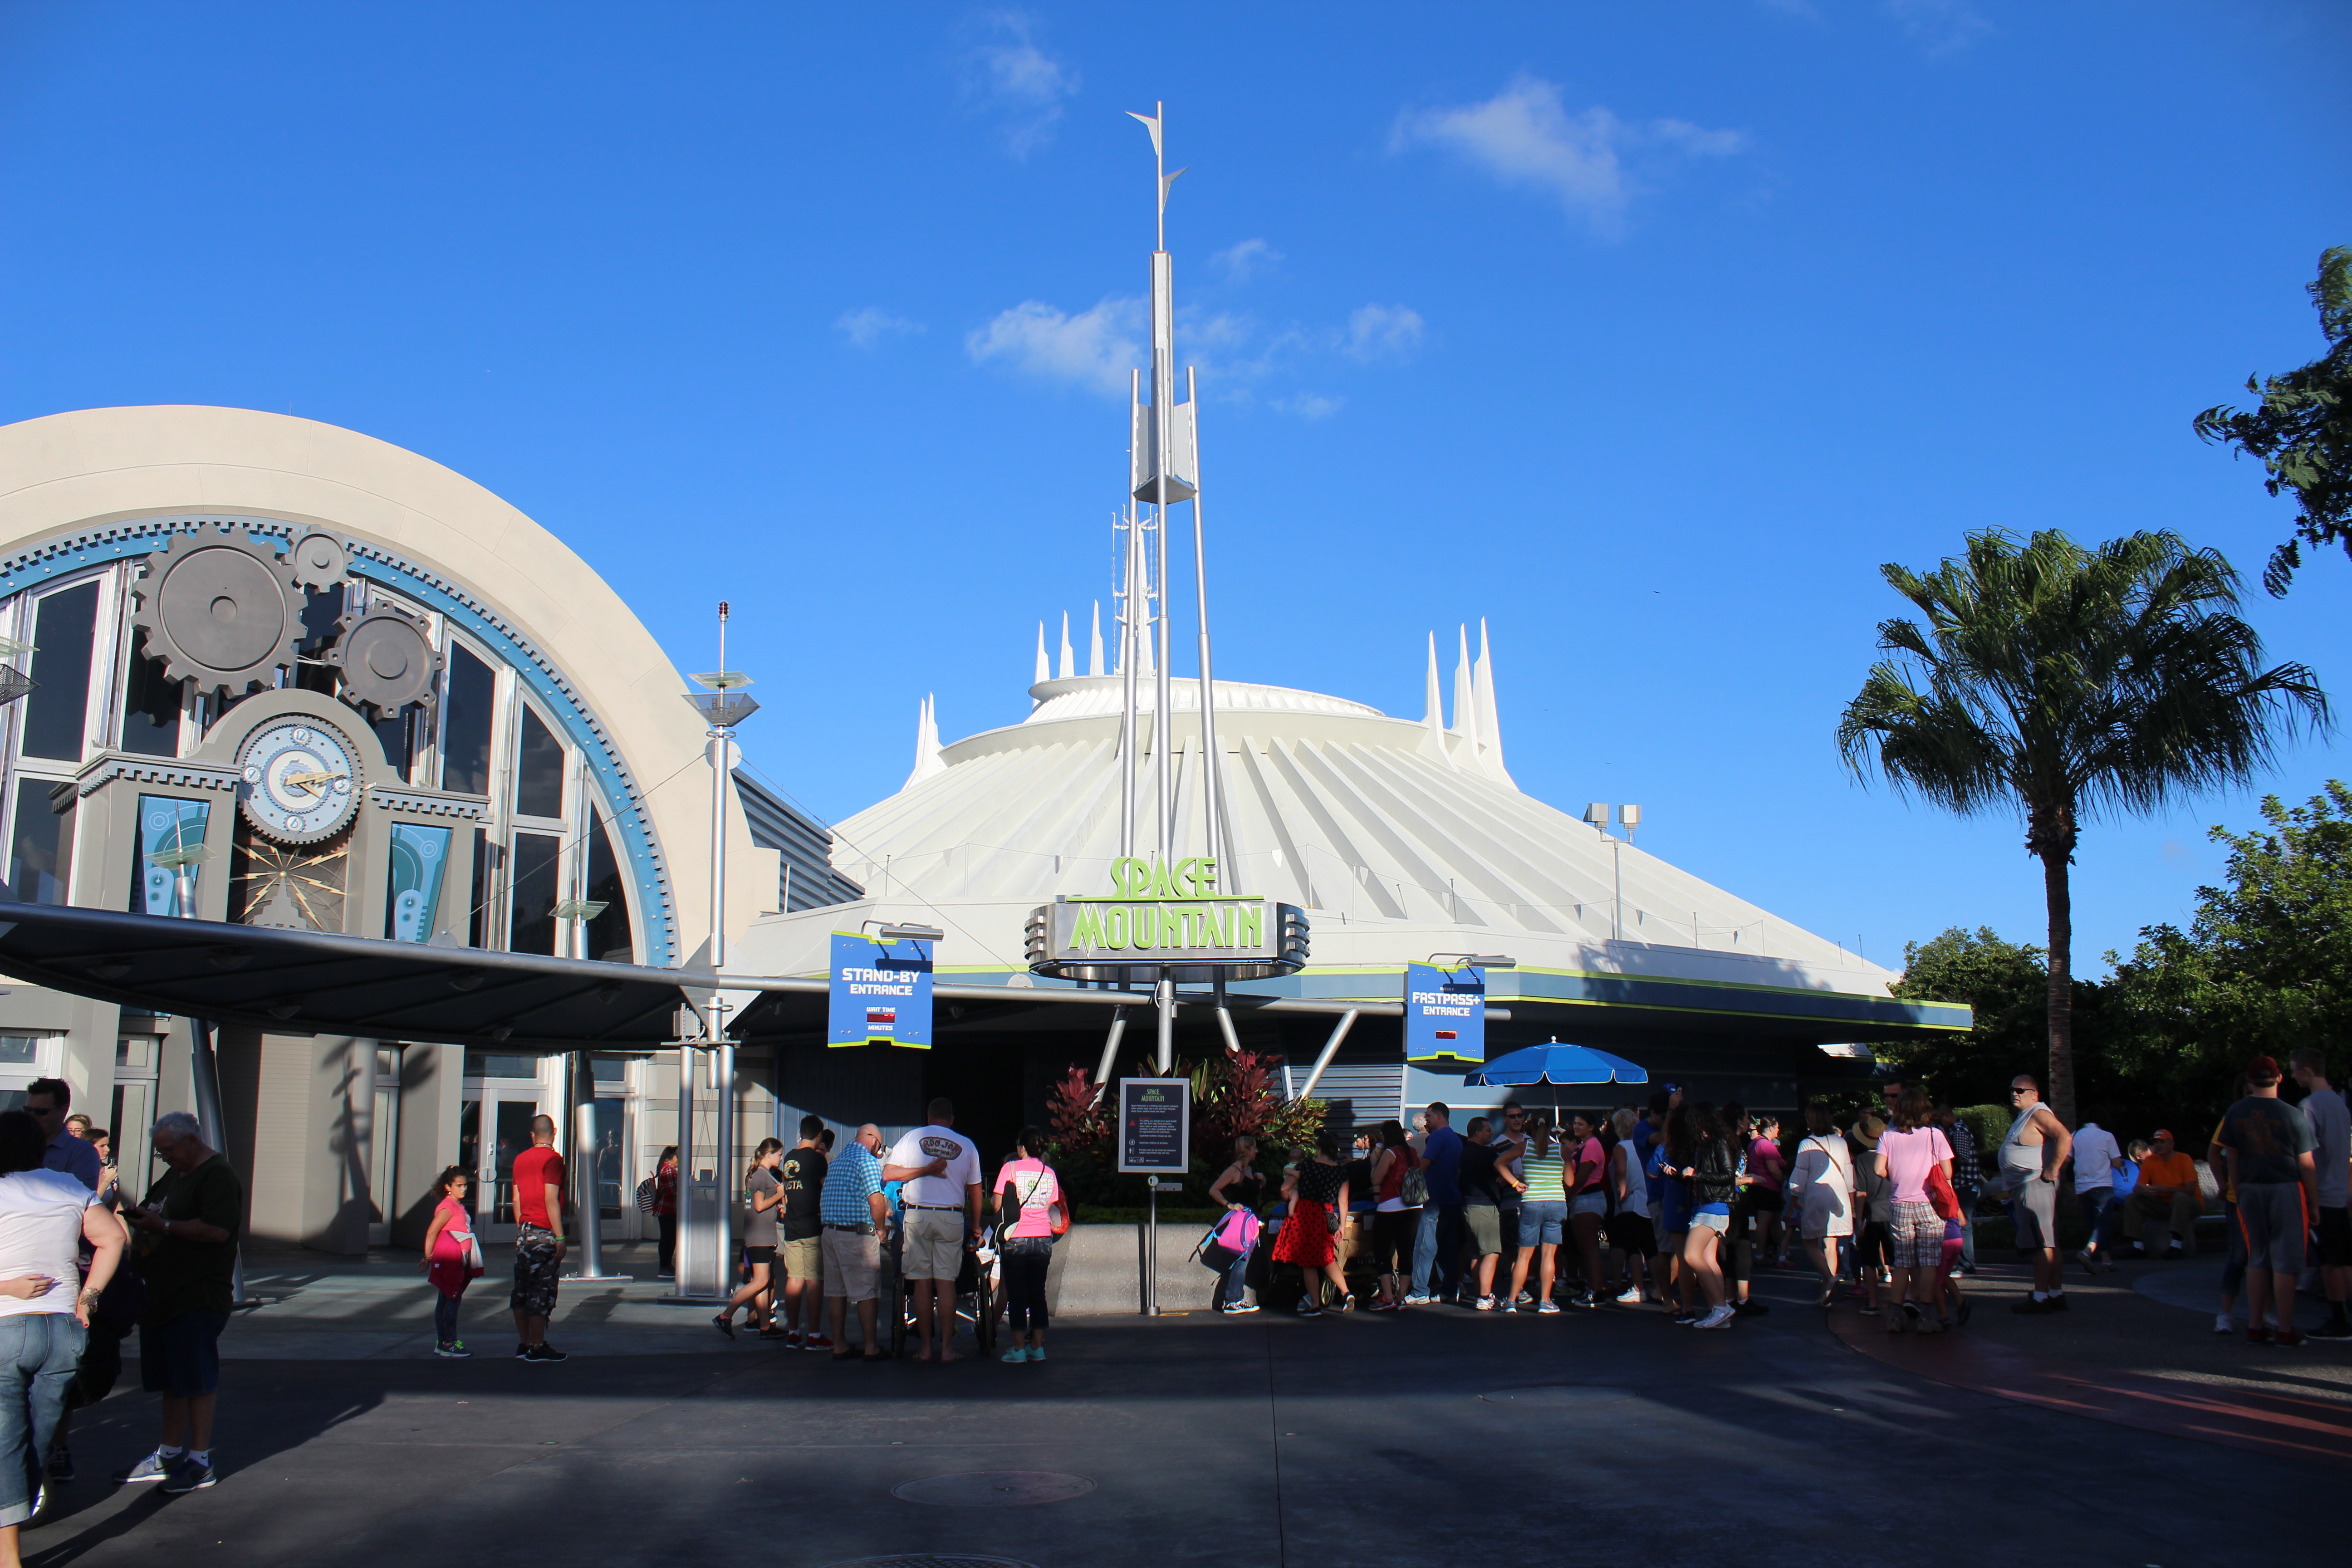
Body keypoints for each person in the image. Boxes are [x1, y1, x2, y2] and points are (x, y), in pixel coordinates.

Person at [0, 1108, 122, 1556]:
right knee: (38, 1437)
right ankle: (17, 1516)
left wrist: (8, 1286)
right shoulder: (68, 1188)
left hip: (7, 1327)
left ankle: (9, 1555)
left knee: (7, 1440)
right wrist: (88, 1298)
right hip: (64, 1332)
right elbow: (112, 1240)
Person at [114, 1112, 240, 1493]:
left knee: (197, 1379)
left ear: (192, 1141)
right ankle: (168, 1453)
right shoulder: (177, 1172)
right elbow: (158, 1208)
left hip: (197, 1294)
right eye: (160, 1152)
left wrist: (164, 1227)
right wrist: (146, 1219)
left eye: (168, 1150)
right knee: (173, 1379)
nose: (165, 1157)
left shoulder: (217, 1175)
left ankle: (200, 1461)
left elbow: (218, 1230)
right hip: (163, 1294)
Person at [2218, 1055, 2319, 1348]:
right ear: (2279, 1079)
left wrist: (2238, 1190)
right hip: (2285, 1187)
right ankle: (2285, 1328)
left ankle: (2255, 1325)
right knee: (2286, 1262)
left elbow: (2231, 1158)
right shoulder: (2293, 1115)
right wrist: (2313, 1204)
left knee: (2258, 1257)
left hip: (2249, 1188)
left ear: (2250, 1081)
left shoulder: (2235, 1112)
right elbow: (2307, 1165)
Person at [882, 1098, 981, 1363]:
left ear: (928, 1117)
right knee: (946, 1282)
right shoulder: (967, 1145)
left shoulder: (910, 1139)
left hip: (918, 1214)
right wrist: (975, 1225)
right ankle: (947, 1349)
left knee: (922, 1281)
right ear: (951, 1119)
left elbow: (889, 1174)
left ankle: (926, 1348)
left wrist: (922, 1171)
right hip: (950, 1216)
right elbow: (975, 1191)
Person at [1875, 1088, 1954, 1334]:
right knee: (1929, 1263)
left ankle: (1895, 1317)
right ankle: (1927, 1318)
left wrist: (1896, 1176)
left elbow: (1879, 1170)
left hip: (1900, 1205)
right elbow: (1948, 1173)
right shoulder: (1935, 1135)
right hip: (1928, 1203)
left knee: (1903, 1264)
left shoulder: (1888, 1136)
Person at [1998, 1074, 2073, 1314]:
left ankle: (2040, 1298)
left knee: (2041, 1244)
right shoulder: (2026, 1116)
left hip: (2035, 1185)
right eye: (2013, 1089)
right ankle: (2055, 1293)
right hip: (2028, 1186)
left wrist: (2053, 1169)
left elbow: (2065, 1137)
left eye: (2021, 1090)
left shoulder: (2039, 1113)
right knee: (2049, 1243)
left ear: (2035, 1094)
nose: (2015, 1093)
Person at [2289, 1049, 2351, 1338]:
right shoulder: (2340, 1104)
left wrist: (2310, 1201)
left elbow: (2307, 1158)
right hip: (2340, 1190)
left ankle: (2339, 1317)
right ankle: (2346, 1311)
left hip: (2322, 1194)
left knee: (2328, 1260)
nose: (2292, 1076)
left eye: (2295, 1071)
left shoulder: (2309, 1106)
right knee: (2343, 1256)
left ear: (2308, 1071)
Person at [819, 1124, 892, 1361]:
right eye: (879, 1146)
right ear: (872, 1139)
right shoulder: (866, 1161)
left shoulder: (838, 1160)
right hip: (855, 1235)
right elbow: (876, 1201)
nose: (878, 1151)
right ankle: (871, 1347)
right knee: (866, 1291)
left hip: (830, 1233)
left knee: (836, 1293)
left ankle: (839, 1345)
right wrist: (881, 1230)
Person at [993, 1127, 1062, 1362]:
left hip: (1016, 1238)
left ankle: (1019, 1349)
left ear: (1021, 1147)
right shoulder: (1049, 1172)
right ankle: (1038, 1347)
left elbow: (997, 1207)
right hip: (1043, 1238)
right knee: (1038, 1293)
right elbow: (1052, 1205)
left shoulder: (1009, 1169)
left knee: (1017, 1294)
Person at [1271, 1132, 1351, 1315]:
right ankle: (1347, 1294)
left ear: (1319, 1149)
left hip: (1306, 1214)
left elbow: (1285, 1188)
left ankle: (1315, 1305)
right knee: (1327, 1257)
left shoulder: (1306, 1166)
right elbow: (1344, 1202)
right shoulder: (1340, 1171)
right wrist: (1341, 1227)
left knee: (1308, 1262)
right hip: (1327, 1213)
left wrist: (1288, 1197)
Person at [1676, 1102, 1739, 1329]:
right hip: (1708, 1206)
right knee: (1710, 1260)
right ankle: (1718, 1310)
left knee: (1692, 1256)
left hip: (1713, 1207)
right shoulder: (1707, 1144)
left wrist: (1697, 1173)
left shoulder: (1717, 1143)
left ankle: (1721, 1307)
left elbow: (1728, 1175)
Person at [1784, 1106, 1854, 1307]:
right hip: (1838, 1196)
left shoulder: (1807, 1144)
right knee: (1831, 1244)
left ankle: (1829, 1279)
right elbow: (1849, 1172)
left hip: (1816, 1197)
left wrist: (1791, 1204)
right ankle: (1827, 1289)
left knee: (1810, 1242)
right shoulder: (1841, 1141)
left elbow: (1799, 1176)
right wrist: (1851, 1202)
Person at [715, 1138, 785, 1340]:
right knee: (761, 1280)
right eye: (779, 1155)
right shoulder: (761, 1176)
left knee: (760, 1281)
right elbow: (759, 1205)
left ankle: (765, 1326)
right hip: (760, 1237)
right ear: (769, 1154)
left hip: (761, 1236)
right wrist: (779, 1194)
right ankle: (726, 1315)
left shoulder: (761, 1176)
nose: (781, 1159)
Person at [1499, 1112, 1568, 1314]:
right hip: (1556, 1202)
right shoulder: (1562, 1150)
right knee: (1549, 1255)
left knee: (1524, 1256)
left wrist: (1515, 1183)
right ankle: (1546, 1302)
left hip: (1531, 1202)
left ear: (1531, 1127)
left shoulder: (1524, 1147)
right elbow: (1571, 1181)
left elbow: (1499, 1163)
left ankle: (1511, 1301)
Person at [776, 1117, 830, 1348]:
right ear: (819, 1136)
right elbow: (826, 1189)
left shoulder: (789, 1158)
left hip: (792, 1226)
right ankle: (815, 1335)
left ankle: (794, 1331)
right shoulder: (818, 1160)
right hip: (811, 1226)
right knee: (815, 1281)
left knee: (794, 1279)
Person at [418, 1165, 481, 1357]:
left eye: (465, 1185)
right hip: (451, 1259)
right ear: (448, 1186)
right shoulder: (448, 1206)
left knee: (446, 1299)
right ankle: (449, 1343)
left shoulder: (456, 1205)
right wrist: (428, 1257)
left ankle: (443, 1342)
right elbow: (432, 1231)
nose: (463, 1189)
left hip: (455, 1258)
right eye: (459, 1185)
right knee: (452, 1299)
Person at [1409, 1103, 1464, 1306]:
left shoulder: (1438, 1137)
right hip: (1452, 1198)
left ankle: (1419, 1291)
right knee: (1447, 1248)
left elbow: (1424, 1164)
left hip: (1435, 1199)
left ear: (1440, 1116)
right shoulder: (1456, 1139)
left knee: (1425, 1245)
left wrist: (1409, 1179)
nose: (1427, 1120)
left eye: (1429, 1116)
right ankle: (1450, 1290)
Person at [1206, 1136, 1266, 1313]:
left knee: (1243, 1260)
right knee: (1241, 1260)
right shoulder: (1234, 1171)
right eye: (1254, 1148)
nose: (1257, 1151)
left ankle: (1236, 1299)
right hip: (1242, 1222)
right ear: (1246, 1150)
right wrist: (1229, 1204)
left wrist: (1261, 1182)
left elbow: (1250, 1192)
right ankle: (1232, 1301)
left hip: (1252, 1222)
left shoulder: (1248, 1170)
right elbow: (1214, 1190)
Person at [1367, 1121, 1419, 1310]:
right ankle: (1402, 1297)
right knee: (1406, 1251)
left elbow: (1376, 1179)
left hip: (1390, 1206)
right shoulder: (1412, 1152)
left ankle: (1387, 1296)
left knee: (1381, 1250)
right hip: (1414, 1207)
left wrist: (1374, 1164)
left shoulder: (1390, 1153)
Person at [1604, 1108, 1653, 1305]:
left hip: (1631, 1203)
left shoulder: (1622, 1147)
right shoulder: (1643, 1145)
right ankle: (1656, 1286)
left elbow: (1621, 1173)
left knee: (1633, 1247)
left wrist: (1622, 1194)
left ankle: (1638, 1288)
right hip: (1648, 1201)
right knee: (1651, 1248)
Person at [2129, 1130, 2202, 1257]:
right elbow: (2137, 1187)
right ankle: (2138, 1247)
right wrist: (2143, 1190)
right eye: (2156, 1142)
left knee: (2180, 1197)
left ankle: (2176, 1246)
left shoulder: (2184, 1159)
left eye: (2162, 1142)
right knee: (2132, 1198)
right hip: (2163, 1205)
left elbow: (2190, 1190)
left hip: (2190, 1205)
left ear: (2172, 1144)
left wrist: (2160, 1189)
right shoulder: (2150, 1161)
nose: (2158, 1145)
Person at [2069, 1108, 2124, 1276]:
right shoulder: (2107, 1136)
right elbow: (2116, 1164)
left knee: (2096, 1224)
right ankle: (2086, 1253)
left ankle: (2107, 1261)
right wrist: (2122, 1166)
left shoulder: (2075, 1135)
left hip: (2082, 1187)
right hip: (2102, 1184)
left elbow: (2067, 1158)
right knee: (2104, 1223)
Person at [1459, 1117, 1506, 1309]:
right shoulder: (1489, 1154)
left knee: (1477, 1254)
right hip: (1485, 1208)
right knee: (1492, 1252)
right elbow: (1503, 1167)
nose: (1492, 1133)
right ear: (1478, 1133)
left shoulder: (1463, 1153)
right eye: (1488, 1130)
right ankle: (1485, 1298)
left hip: (1468, 1207)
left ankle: (1481, 1295)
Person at [1564, 1112, 1609, 1309]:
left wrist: (1568, 1194)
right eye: (1575, 1124)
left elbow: (1582, 1177)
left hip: (1588, 1199)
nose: (1576, 1127)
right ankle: (1592, 1288)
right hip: (1580, 1200)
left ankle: (1597, 1291)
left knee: (1590, 1248)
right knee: (1585, 1249)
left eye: (1581, 1124)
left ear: (1592, 1127)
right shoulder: (1581, 1146)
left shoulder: (1592, 1145)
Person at [1850, 1112, 1892, 1314]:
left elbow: (1861, 1193)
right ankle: (1903, 1302)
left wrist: (1858, 1220)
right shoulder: (1893, 1156)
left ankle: (1874, 1303)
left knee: (1869, 1260)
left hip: (1871, 1215)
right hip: (1894, 1212)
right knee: (1900, 1261)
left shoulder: (1861, 1160)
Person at [22, 1082, 98, 1193]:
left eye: (41, 1112)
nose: (32, 1117)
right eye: (28, 1110)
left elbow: (81, 1197)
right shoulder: (17, 1145)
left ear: (63, 1110)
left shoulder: (82, 1152)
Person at [1935, 1102, 1983, 1275]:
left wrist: (1949, 1172)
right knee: (1961, 1222)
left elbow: (1961, 1158)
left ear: (1946, 1116)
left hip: (1966, 1184)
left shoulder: (1959, 1131)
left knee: (1964, 1223)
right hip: (1965, 1183)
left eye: (1941, 1119)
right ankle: (1963, 1262)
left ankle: (1967, 1263)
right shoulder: (1956, 1130)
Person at [1656, 1105, 1695, 1316]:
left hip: (1673, 1199)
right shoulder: (1699, 1146)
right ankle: (1716, 1304)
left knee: (1679, 1255)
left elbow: (1653, 1170)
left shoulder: (1667, 1146)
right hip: (1696, 1201)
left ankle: (1682, 1306)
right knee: (1703, 1258)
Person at [1748, 1114, 1788, 1265]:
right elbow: (1774, 1170)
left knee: (1775, 1222)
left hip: (1761, 1188)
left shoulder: (1755, 1143)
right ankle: (1759, 1254)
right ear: (1771, 1128)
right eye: (1777, 1127)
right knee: (1765, 1222)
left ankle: (1784, 1252)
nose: (1778, 1130)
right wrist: (1785, 1183)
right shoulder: (1767, 1146)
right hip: (1768, 1188)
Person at [650, 1146, 678, 1279]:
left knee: (670, 1238)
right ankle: (664, 1266)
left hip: (669, 1208)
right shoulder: (667, 1170)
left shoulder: (668, 1169)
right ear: (674, 1158)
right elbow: (673, 1190)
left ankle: (667, 1265)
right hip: (667, 1208)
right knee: (668, 1238)